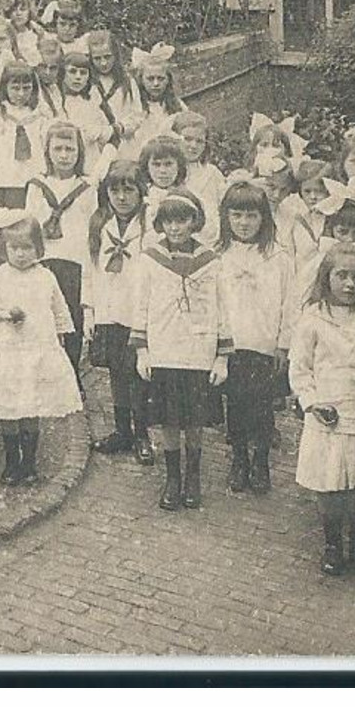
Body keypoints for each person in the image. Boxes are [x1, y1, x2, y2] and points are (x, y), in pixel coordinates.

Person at [289, 242, 355, 579]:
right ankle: (333, 545)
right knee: (331, 484)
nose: (349, 285)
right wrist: (312, 402)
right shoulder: (313, 320)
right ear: (327, 278)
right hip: (329, 415)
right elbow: (300, 369)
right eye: (342, 276)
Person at [131, 189, 231, 511]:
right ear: (161, 224)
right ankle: (172, 477)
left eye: (182, 220)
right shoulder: (149, 260)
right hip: (164, 351)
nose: (176, 228)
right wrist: (142, 351)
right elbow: (141, 306)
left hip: (198, 353)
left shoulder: (211, 262)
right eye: (169, 221)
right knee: (169, 419)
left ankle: (193, 476)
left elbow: (223, 309)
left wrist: (221, 356)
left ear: (194, 221)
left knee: (194, 421)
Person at [0, 212, 83, 487]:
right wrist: (4, 315)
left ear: (38, 248)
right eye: (14, 248)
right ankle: (12, 461)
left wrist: (59, 343)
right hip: (8, 352)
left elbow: (59, 311)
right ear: (4, 248)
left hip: (37, 352)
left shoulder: (46, 277)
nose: (21, 255)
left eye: (27, 248)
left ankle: (29, 462)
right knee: (9, 408)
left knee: (32, 406)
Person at [217, 178, 295, 494]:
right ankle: (239, 460)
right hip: (233, 344)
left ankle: (261, 461)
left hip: (265, 345)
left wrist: (284, 344)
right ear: (226, 217)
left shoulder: (279, 257)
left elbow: (290, 303)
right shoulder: (219, 255)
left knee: (262, 408)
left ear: (264, 218)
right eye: (237, 215)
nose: (244, 223)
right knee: (235, 406)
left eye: (251, 216)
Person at [83, 160, 153, 463]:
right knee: (116, 375)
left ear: (141, 192)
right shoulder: (100, 223)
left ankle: (142, 435)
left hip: (137, 312)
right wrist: (89, 311)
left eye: (129, 190)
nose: (122, 197)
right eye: (115, 190)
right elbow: (91, 269)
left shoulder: (149, 226)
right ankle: (122, 431)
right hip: (109, 311)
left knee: (138, 375)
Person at [26, 121, 98, 380]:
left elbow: (92, 229)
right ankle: (45, 372)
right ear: (48, 152)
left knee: (73, 320)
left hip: (75, 262)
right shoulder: (36, 186)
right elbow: (30, 226)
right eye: (58, 149)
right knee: (44, 316)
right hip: (45, 261)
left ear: (79, 153)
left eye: (71, 149)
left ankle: (71, 373)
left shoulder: (88, 188)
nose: (65, 156)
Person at [0, 60, 52, 216]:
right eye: (15, 88)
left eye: (26, 88)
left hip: (34, 181)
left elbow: (48, 148)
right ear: (4, 87)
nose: (21, 94)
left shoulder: (39, 115)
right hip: (4, 182)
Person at [173, 111, 226, 246]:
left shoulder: (212, 173)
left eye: (199, 141)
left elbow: (225, 208)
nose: (193, 146)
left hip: (211, 241)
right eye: (188, 139)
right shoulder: (168, 174)